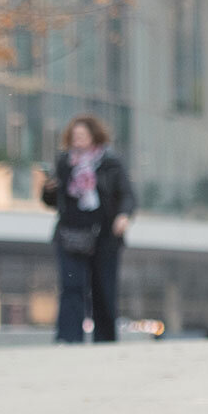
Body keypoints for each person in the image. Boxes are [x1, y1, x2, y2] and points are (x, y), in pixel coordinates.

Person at [42, 114, 135, 345]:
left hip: (104, 235)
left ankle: (105, 340)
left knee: (103, 288)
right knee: (71, 286)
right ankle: (68, 338)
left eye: (82, 135)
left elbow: (127, 194)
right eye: (75, 136)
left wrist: (123, 216)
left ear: (94, 136)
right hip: (70, 234)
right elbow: (53, 202)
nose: (78, 140)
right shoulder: (64, 163)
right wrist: (48, 190)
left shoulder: (110, 163)